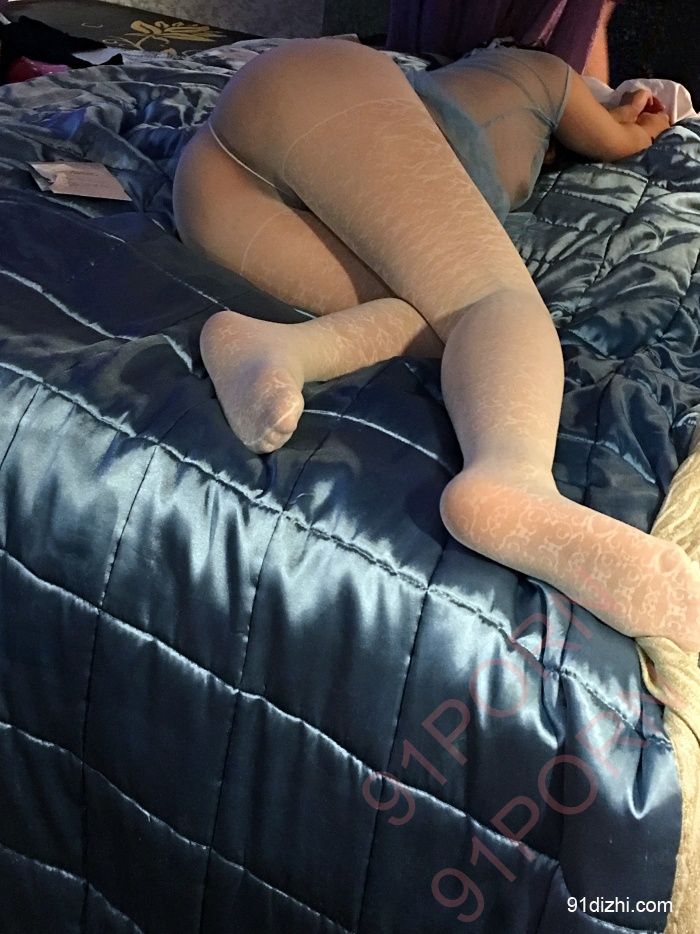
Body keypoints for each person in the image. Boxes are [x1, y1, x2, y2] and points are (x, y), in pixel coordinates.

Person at [172, 37, 700, 653]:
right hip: (318, 91)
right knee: (493, 300)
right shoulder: (550, 73)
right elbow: (625, 139)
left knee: (440, 324)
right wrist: (637, 108)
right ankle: (511, 474)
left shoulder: (468, 81)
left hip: (214, 184)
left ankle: (269, 347)